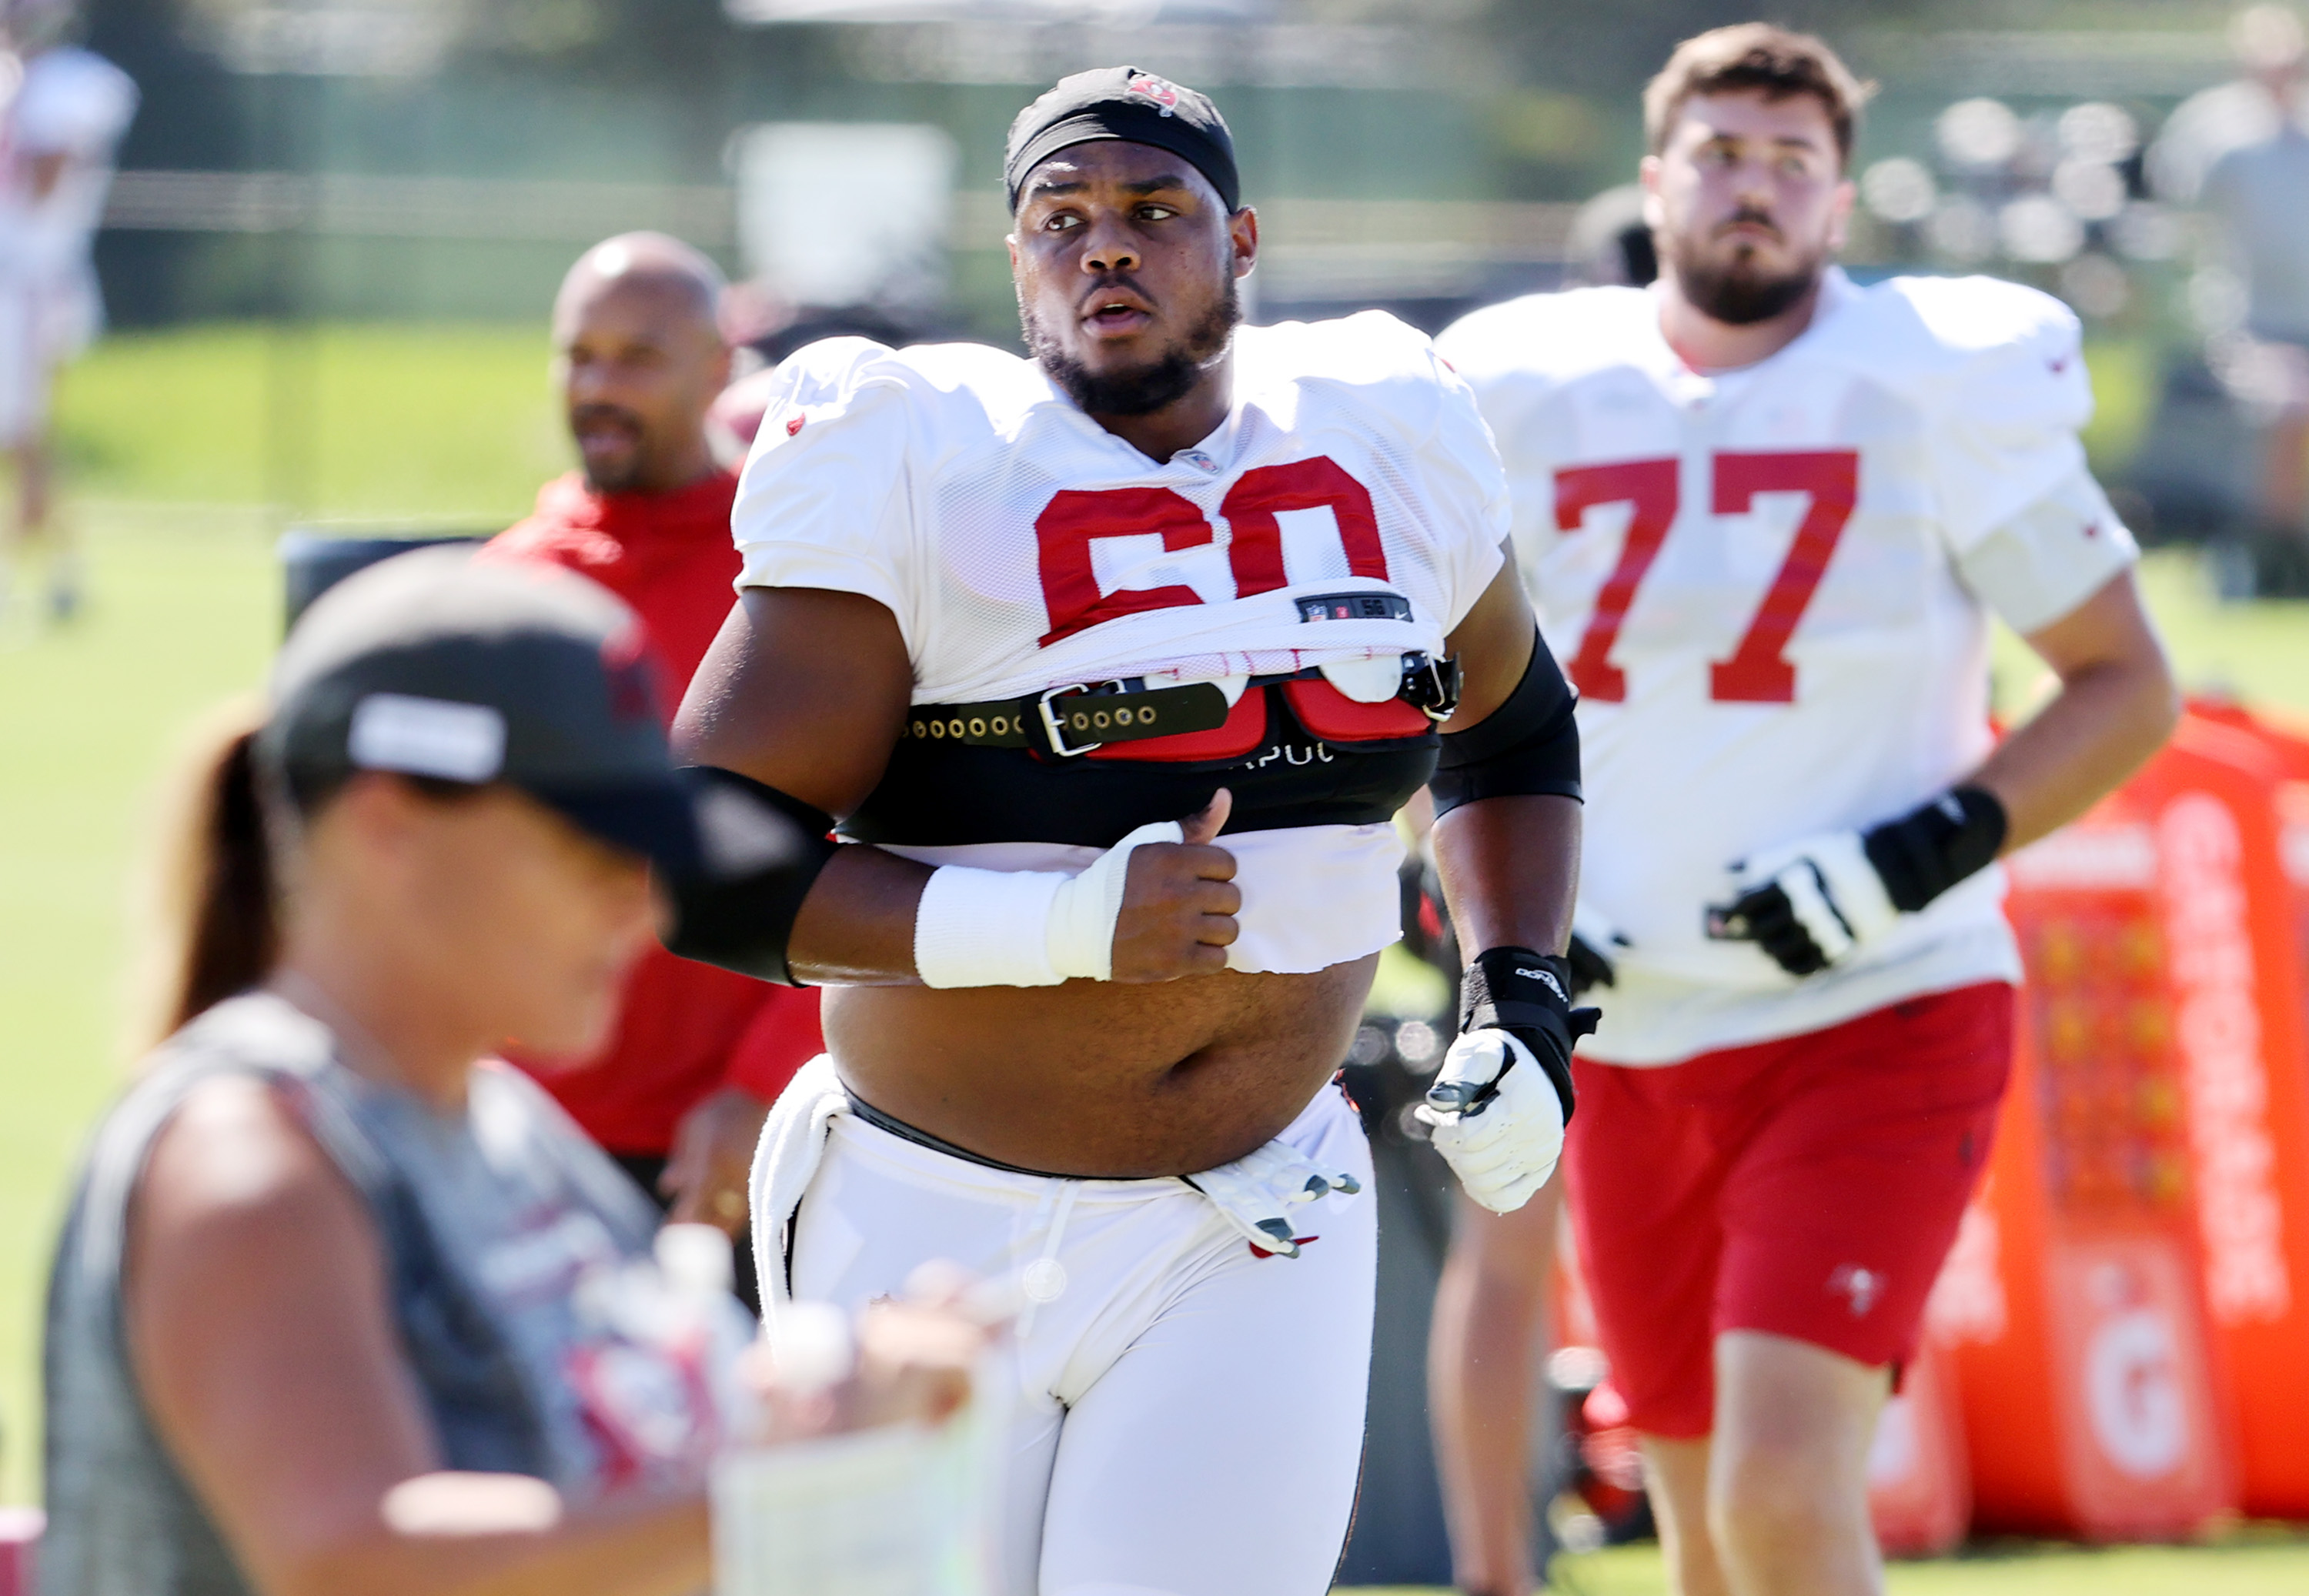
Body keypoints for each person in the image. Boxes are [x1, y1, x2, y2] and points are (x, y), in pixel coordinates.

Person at [670, 65, 1589, 1596]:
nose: (1107, 247)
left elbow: (1512, 728)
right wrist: (1054, 927)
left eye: (1153, 212)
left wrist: (1525, 995)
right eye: (1063, 219)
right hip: (936, 1216)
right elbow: (707, 862)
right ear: (1017, 253)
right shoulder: (916, 449)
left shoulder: (1382, 417)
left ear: (1239, 240)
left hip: (1260, 1208)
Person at [1434, 25, 2179, 1596]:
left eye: (1792, 163)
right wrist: (1497, 937)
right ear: (1656, 182)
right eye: (1720, 153)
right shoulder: (1526, 389)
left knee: (1783, 1488)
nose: (1753, 191)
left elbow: (2126, 682)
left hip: (1879, 1009)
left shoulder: (1929, 380)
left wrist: (1914, 854)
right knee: (1705, 1536)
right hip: (1631, 1038)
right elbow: (1434, 700)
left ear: (1843, 201)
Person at [40, 549, 980, 1596]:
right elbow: (349, 1555)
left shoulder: (503, 1121)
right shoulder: (250, 1157)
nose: (644, 908)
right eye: (595, 853)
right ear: (390, 822)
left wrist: (827, 1396)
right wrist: (791, 1484)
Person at [481, 232, 822, 1308]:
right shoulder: (506, 590)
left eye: (637, 356)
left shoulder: (795, 583)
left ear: (718, 369)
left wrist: (764, 1087)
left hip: (734, 1148)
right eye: (579, 354)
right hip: (523, 1144)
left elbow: (880, 842)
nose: (597, 386)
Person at [0, 0, 133, 626]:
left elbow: (42, 188)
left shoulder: (67, 84)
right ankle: (61, 572)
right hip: (19, 278)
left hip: (27, 280)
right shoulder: (18, 79)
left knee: (24, 436)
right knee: (26, 441)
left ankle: (51, 572)